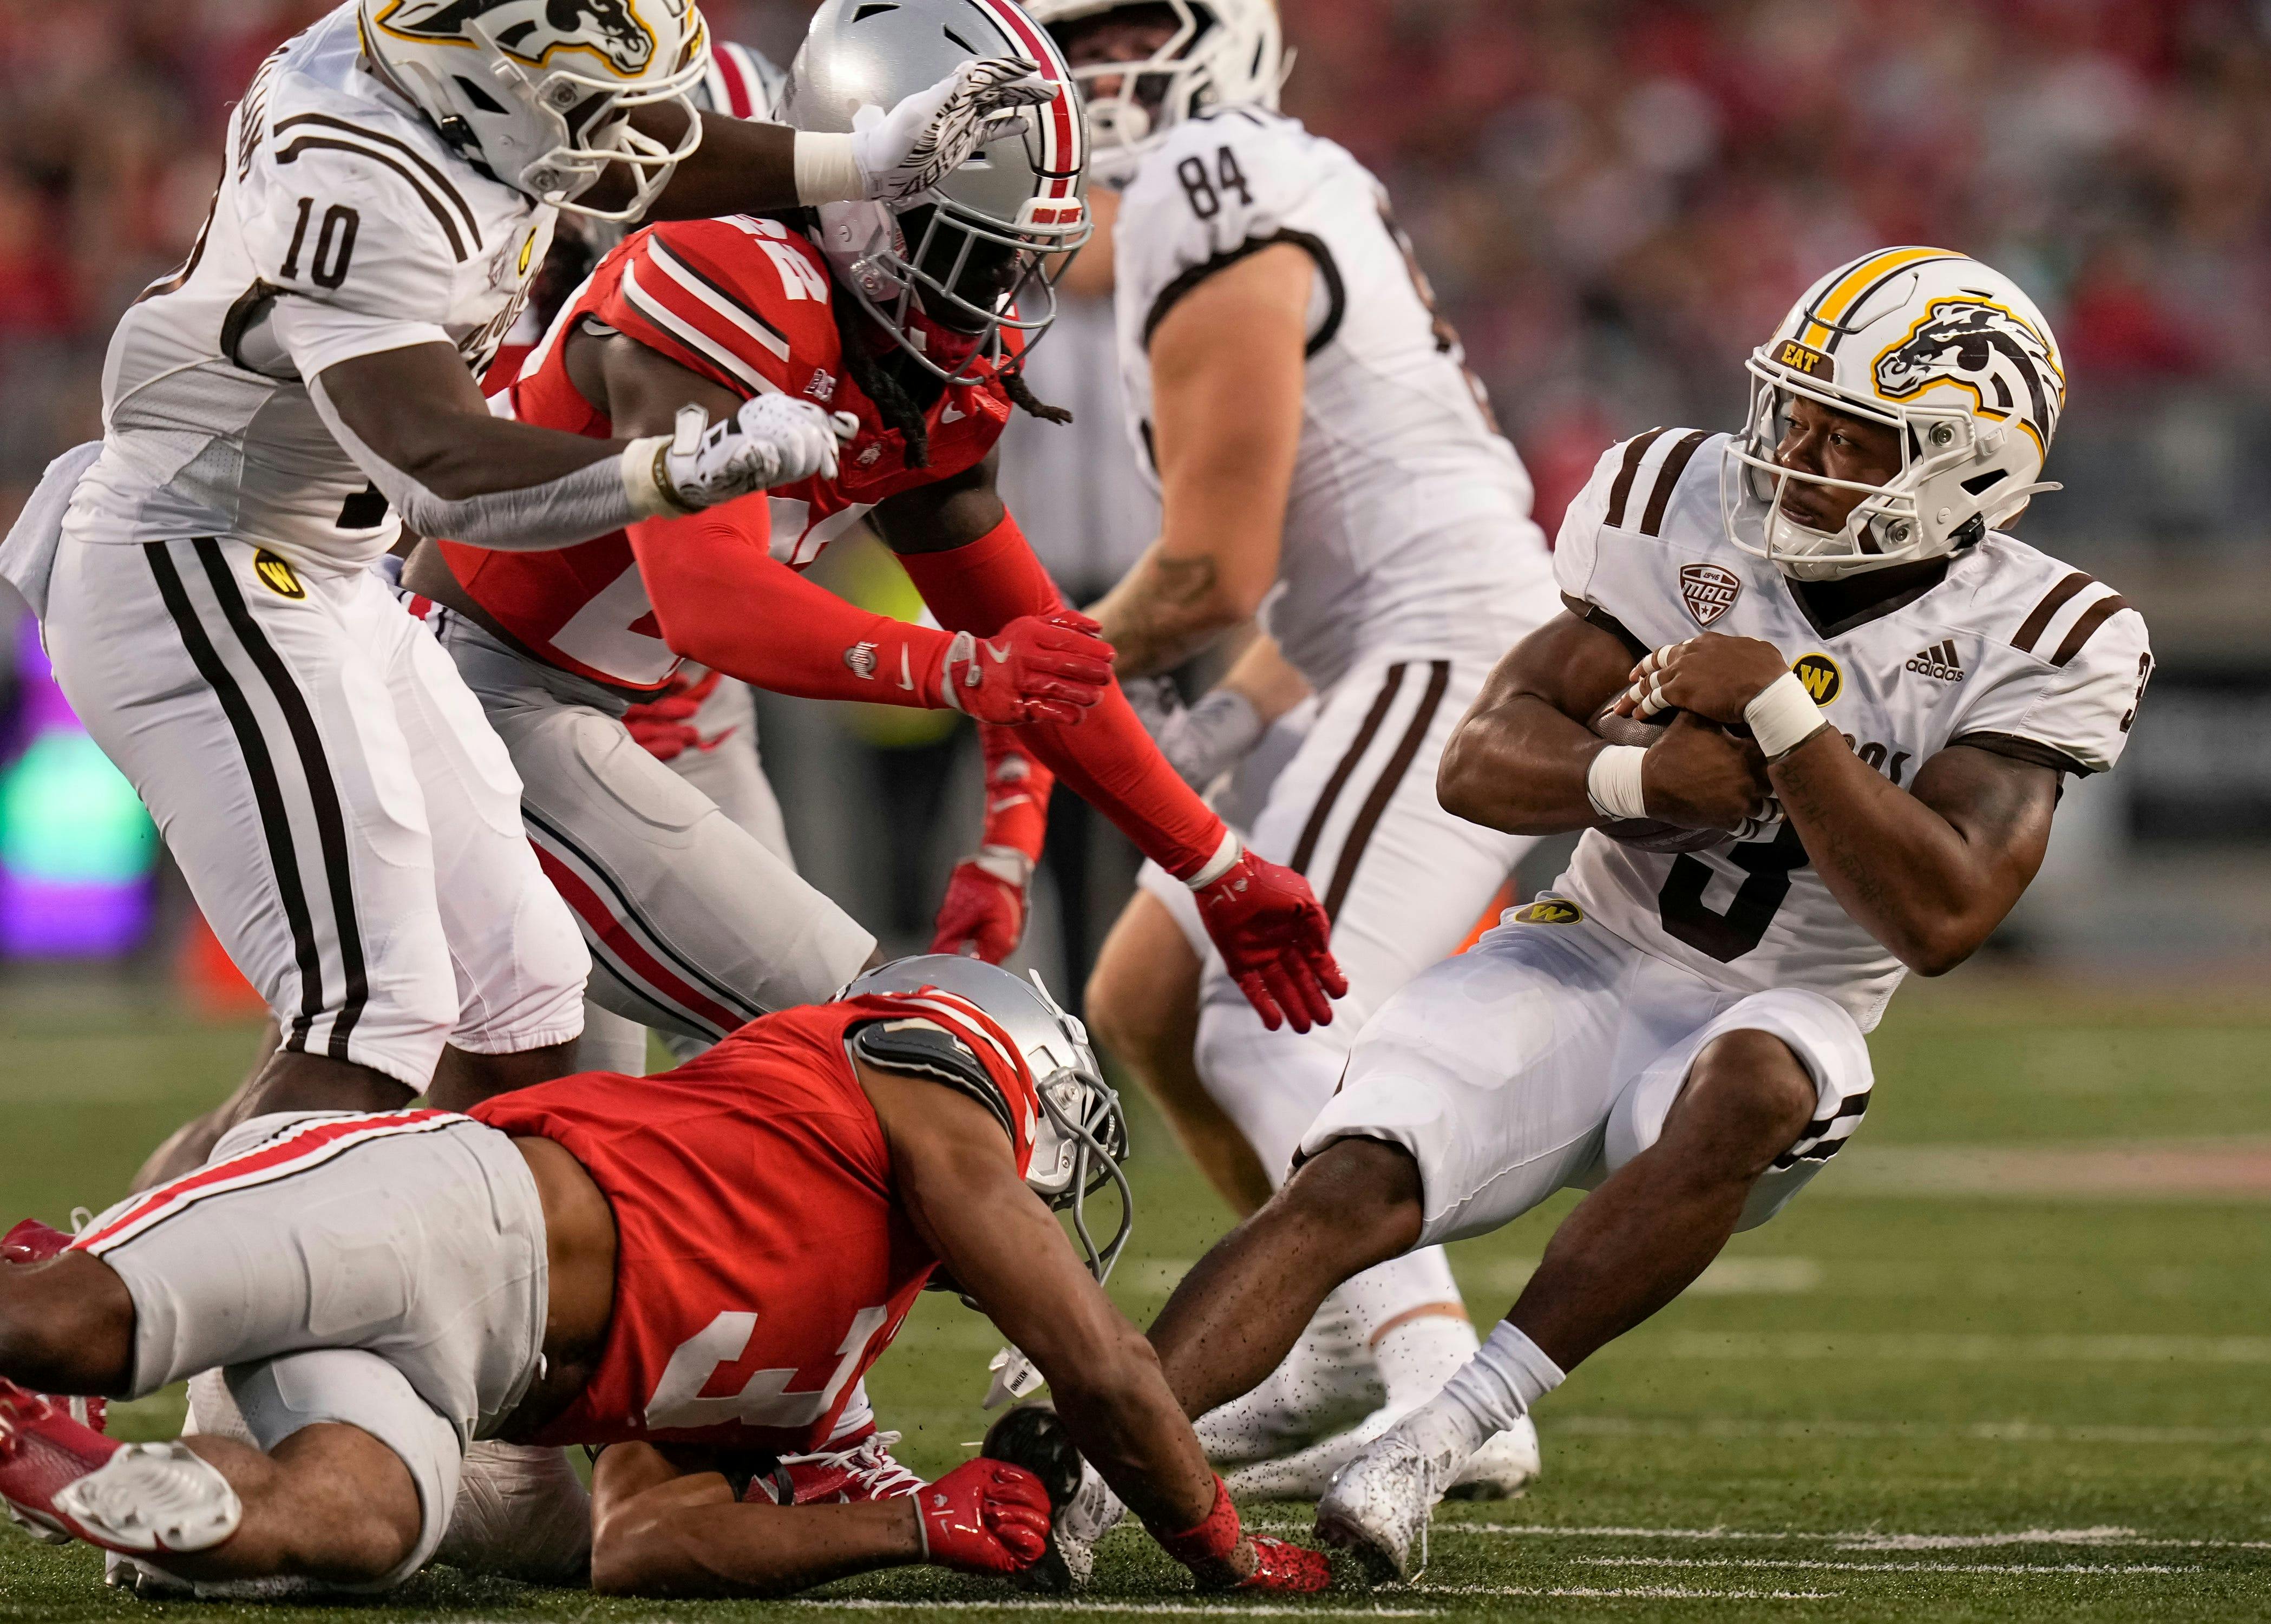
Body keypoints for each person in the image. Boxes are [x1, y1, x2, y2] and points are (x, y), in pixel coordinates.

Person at [1115, 248, 2155, 1579]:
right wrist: (1637, 774)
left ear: (1960, 469)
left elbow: (1943, 915)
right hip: (1592, 952)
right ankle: (1093, 1461)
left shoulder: (2050, 632)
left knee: (1764, 1075)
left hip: (1788, 1008)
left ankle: (1446, 1431)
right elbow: (1478, 759)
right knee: (1353, 1175)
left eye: (1849, 439)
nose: (1795, 455)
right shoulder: (1682, 500)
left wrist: (1785, 716)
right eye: (1797, 413)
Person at [0, 0, 1068, 1151]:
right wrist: (678, 468)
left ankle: (279, 1289)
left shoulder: (448, 84)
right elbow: (441, 471)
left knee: (527, 996)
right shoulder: (366, 177)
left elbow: (638, 156)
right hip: (203, 553)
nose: (638, 128)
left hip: (326, 563)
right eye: (596, 104)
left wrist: (855, 162)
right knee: (370, 1019)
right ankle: (120, 1316)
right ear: (491, 86)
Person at [394, 0, 1345, 1066]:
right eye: (969, 247)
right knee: (851, 1054)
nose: (992, 293)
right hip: (493, 691)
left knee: (736, 1075)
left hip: (655, 702)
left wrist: (1213, 864)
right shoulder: (723, 277)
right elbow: (712, 603)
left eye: (1013, 257)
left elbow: (1039, 647)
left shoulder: (918, 359)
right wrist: (960, 672)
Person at [0, 958, 1328, 1599]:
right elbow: (1104, 1369)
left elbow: (638, 1544)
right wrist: (1221, 1547)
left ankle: (79, 1478)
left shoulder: (830, 1362)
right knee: (61, 1329)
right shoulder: (908, 1079)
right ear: (999, 1060)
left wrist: (909, 1528)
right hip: (431, 1209)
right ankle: (48, 1360)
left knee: (348, 1527)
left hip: (466, 1379)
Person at [1029, 0, 1561, 1498]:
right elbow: (1334, 533)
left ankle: (1444, 1391)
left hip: (1447, 647)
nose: (1088, 69)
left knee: (1269, 1024)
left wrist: (1013, 667)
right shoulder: (1244, 179)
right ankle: (1322, 1340)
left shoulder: (1210, 192)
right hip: (1369, 643)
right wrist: (1229, 716)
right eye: (1071, 39)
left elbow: (1210, 573)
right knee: (1139, 994)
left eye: (1123, 30)